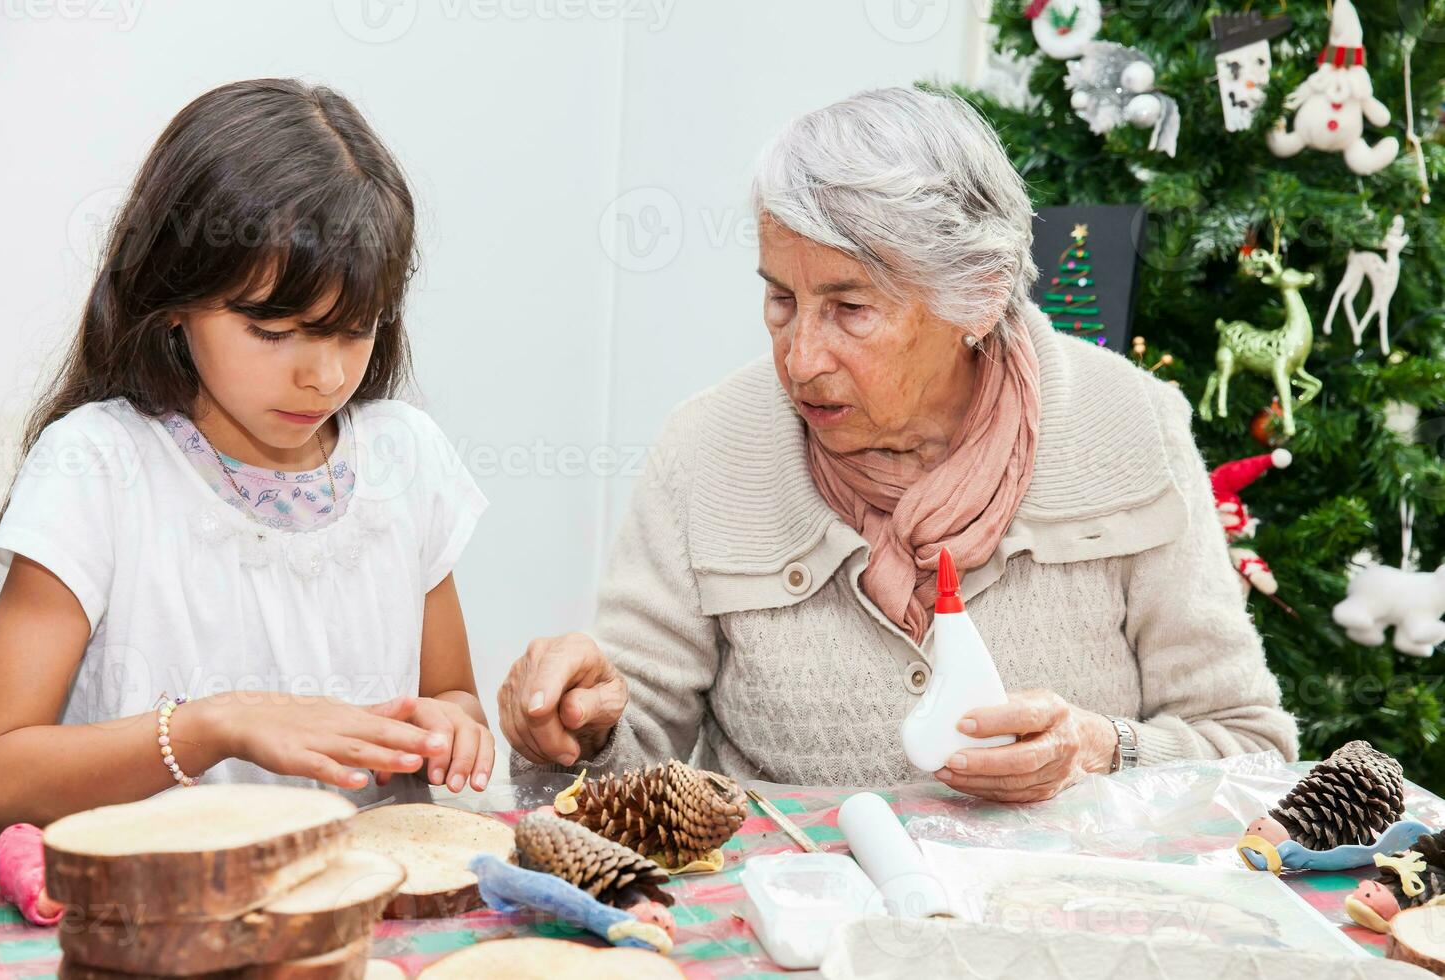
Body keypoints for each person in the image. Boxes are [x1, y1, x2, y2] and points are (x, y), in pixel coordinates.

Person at [500, 87, 1299, 802]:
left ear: (977, 297)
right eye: (781, 299)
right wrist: (583, 730)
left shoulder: (1126, 422)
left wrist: (1103, 750)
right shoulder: (706, 450)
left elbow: (1251, 753)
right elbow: (625, 775)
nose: (801, 358)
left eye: (850, 308)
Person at [0, 79, 492, 840]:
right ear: (175, 297)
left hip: (363, 905)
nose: (322, 375)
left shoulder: (404, 458)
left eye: (355, 330)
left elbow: (452, 694)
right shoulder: (98, 467)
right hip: (159, 916)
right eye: (276, 331)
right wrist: (213, 725)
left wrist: (451, 729)